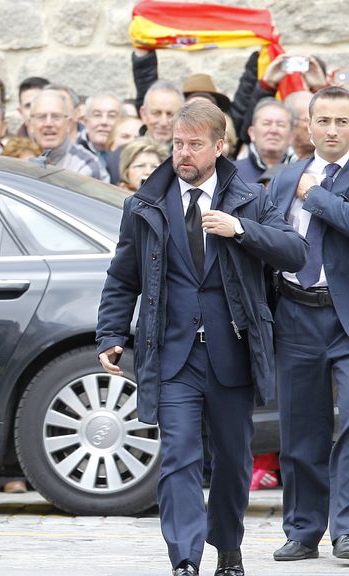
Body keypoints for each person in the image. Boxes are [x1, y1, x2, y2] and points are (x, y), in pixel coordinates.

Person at [96, 99, 306, 576]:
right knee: (178, 458)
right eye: (177, 144)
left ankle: (228, 550)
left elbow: (295, 253)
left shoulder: (250, 198)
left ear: (219, 147)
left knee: (233, 463)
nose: (183, 154)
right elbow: (123, 277)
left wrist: (241, 230)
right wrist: (111, 332)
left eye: (194, 145)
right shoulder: (145, 204)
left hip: (231, 353)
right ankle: (184, 558)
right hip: (172, 356)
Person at [268, 85, 349, 563]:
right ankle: (303, 530)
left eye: (342, 122)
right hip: (295, 313)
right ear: (310, 125)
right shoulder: (285, 177)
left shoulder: (309, 185)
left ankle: (346, 529)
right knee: (300, 429)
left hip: (344, 318)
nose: (333, 130)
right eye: (325, 121)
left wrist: (315, 196)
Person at [27, 89, 109, 181]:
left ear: (69, 124)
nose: (48, 123)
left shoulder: (85, 165)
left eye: (56, 117)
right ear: (30, 125)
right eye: (41, 117)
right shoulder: (17, 159)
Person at [234, 98, 292, 183]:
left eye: (280, 124)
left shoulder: (303, 173)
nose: (273, 130)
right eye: (266, 123)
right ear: (252, 133)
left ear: (291, 136)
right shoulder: (232, 173)